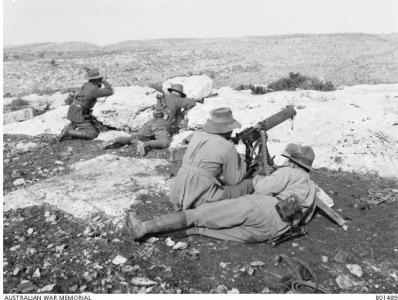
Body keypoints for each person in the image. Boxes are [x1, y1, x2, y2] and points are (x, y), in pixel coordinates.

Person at [126, 143, 318, 243]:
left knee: (200, 215)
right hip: (277, 230)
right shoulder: (311, 187)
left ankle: (145, 227)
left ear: (293, 163)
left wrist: (259, 178)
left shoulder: (289, 171)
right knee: (204, 229)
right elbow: (305, 217)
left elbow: (262, 188)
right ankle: (168, 235)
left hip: (261, 209)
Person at [169, 107, 254, 211]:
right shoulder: (227, 147)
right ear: (228, 129)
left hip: (177, 192)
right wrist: (241, 156)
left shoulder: (197, 136)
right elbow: (234, 180)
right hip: (199, 197)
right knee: (247, 185)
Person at [58, 68, 114, 141]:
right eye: (100, 79)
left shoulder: (86, 85)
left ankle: (72, 125)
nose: (101, 80)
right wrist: (104, 81)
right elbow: (110, 91)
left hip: (75, 112)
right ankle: (69, 132)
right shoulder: (93, 90)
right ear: (97, 80)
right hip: (79, 114)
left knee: (97, 125)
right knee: (93, 133)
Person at [102, 109, 171, 155]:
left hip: (147, 126)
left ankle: (114, 140)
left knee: (133, 138)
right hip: (158, 127)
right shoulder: (164, 121)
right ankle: (144, 144)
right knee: (164, 143)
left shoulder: (151, 120)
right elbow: (171, 128)